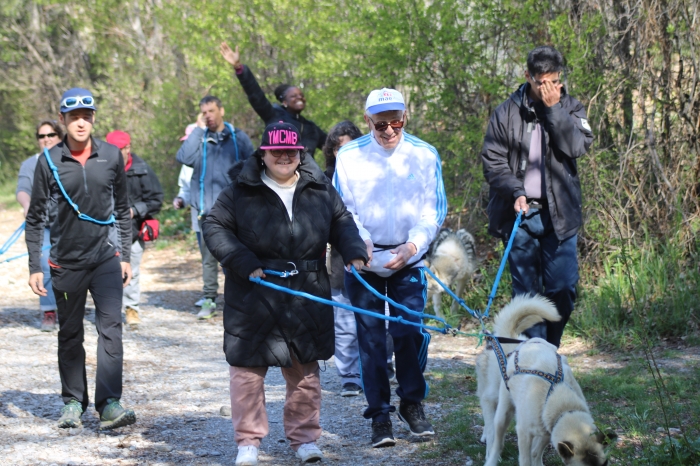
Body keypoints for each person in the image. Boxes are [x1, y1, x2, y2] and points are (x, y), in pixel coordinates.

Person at [202, 121, 367, 466]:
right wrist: (243, 261)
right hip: (254, 290)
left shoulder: (320, 187)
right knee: (247, 372)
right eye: (275, 150)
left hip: (306, 292)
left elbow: (341, 221)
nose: (283, 156)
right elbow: (213, 226)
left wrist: (352, 250)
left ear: (300, 152)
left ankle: (305, 439)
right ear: (263, 154)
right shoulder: (238, 190)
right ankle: (248, 442)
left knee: (305, 372)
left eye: (290, 150)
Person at [333, 88, 447, 447]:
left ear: (405, 117)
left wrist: (413, 244)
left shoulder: (425, 155)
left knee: (409, 332)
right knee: (369, 339)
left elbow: (434, 210)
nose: (388, 131)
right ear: (368, 121)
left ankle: (411, 404)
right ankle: (379, 415)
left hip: (408, 256)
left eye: (395, 122)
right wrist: (359, 241)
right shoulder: (349, 157)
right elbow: (342, 209)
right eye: (380, 123)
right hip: (362, 260)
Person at [25, 88, 136, 430]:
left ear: (93, 118)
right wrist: (33, 265)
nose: (81, 122)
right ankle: (73, 402)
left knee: (111, 330)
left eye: (87, 115)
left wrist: (125, 256)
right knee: (70, 334)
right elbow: (35, 217)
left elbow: (122, 210)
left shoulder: (112, 156)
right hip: (65, 263)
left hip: (105, 259)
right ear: (62, 120)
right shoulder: (49, 160)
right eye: (74, 117)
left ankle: (109, 404)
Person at [480, 45, 593, 348]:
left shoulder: (571, 107)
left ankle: (547, 350)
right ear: (527, 75)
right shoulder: (505, 112)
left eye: (553, 81)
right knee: (527, 295)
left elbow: (577, 148)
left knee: (563, 289)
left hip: (560, 215)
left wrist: (554, 110)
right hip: (519, 214)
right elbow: (492, 161)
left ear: (559, 78)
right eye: (540, 82)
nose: (547, 88)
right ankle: (535, 362)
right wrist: (515, 191)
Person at [176, 96, 255, 318]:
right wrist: (198, 131)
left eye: (211, 111)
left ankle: (238, 301)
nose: (208, 116)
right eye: (204, 112)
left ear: (221, 110)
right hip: (206, 211)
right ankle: (209, 299)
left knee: (236, 257)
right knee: (209, 260)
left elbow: (254, 166)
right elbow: (183, 157)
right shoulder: (201, 139)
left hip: (235, 212)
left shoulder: (238, 138)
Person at [219, 42, 327, 155]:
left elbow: (332, 145)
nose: (299, 98)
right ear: (284, 102)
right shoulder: (274, 116)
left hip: (306, 172)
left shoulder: (311, 128)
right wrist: (238, 67)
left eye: (301, 95)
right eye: (294, 96)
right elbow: (255, 94)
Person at [322, 120, 365, 397]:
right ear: (332, 151)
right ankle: (349, 375)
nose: (345, 153)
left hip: (379, 258)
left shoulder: (374, 174)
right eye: (339, 149)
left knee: (382, 321)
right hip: (340, 260)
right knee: (345, 322)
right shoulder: (323, 180)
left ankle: (383, 365)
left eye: (350, 147)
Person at [105, 130, 163, 328]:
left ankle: (131, 310)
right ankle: (109, 310)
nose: (114, 154)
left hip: (134, 230)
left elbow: (157, 200)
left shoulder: (142, 169)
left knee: (132, 271)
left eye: (118, 150)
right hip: (105, 233)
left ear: (128, 148)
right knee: (105, 272)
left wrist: (134, 211)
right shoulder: (100, 168)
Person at [16, 120, 63, 331]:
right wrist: (28, 206)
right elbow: (23, 189)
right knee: (45, 264)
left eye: (51, 135)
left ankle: (70, 308)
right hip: (42, 224)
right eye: (41, 136)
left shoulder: (68, 159)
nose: (46, 139)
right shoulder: (31, 163)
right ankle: (49, 311)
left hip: (68, 225)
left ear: (59, 136)